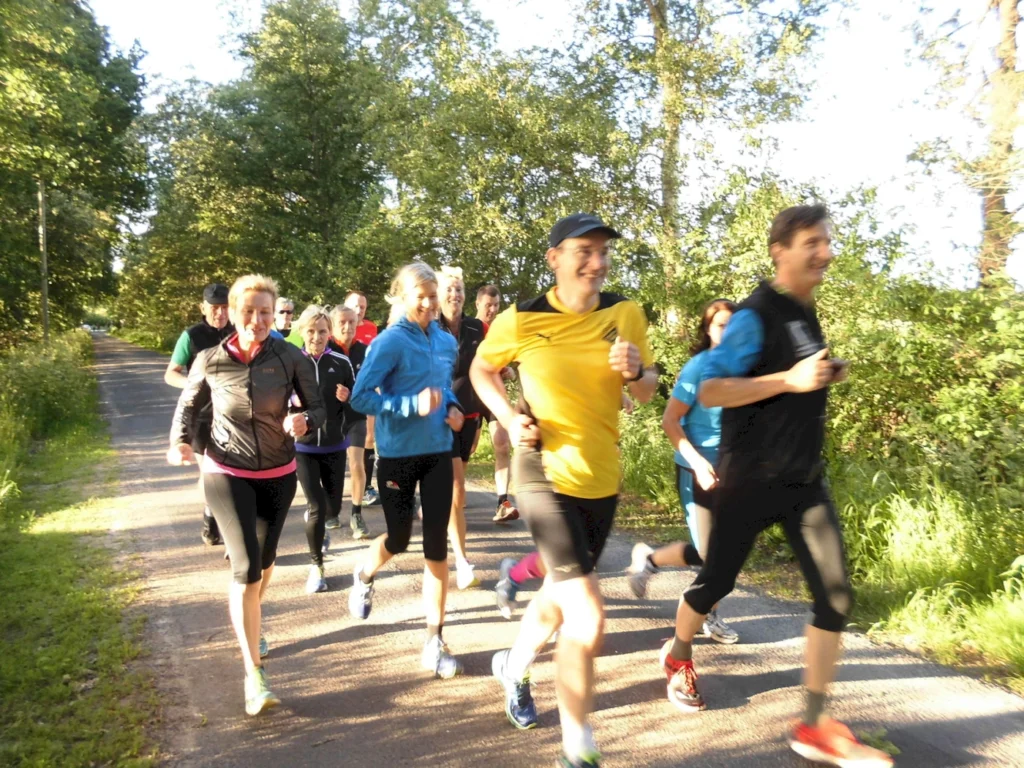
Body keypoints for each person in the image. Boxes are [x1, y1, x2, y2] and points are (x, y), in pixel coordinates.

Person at [659, 205, 892, 768]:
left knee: (835, 595)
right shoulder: (753, 315)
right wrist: (790, 379)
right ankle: (679, 651)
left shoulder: (804, 312)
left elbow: (792, 386)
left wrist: (822, 375)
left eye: (828, 241)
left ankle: (812, 726)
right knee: (716, 581)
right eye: (813, 242)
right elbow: (713, 390)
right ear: (779, 250)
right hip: (750, 482)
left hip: (804, 481)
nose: (826, 252)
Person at [470, 213, 657, 768]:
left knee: (558, 595)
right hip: (541, 470)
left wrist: (636, 370)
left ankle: (514, 663)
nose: (596, 262)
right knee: (588, 616)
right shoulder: (522, 317)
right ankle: (579, 748)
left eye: (603, 251)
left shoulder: (625, 313)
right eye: (584, 250)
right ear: (554, 257)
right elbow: (483, 370)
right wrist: (507, 415)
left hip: (601, 479)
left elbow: (647, 393)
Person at [168, 274, 325, 717]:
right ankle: (253, 674)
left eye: (264, 313)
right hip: (225, 469)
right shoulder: (210, 358)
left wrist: (305, 422)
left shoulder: (290, 355)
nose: (256, 320)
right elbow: (189, 406)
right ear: (233, 314)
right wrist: (181, 440)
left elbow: (317, 407)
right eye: (248, 312)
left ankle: (252, 620)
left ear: (274, 315)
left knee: (265, 561)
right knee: (245, 568)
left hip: (278, 472)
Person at [348, 263, 466, 680]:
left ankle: (434, 640)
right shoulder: (388, 342)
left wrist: (451, 407)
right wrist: (406, 406)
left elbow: (445, 386)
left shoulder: (446, 341)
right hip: (397, 455)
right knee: (399, 539)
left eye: (434, 295)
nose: (430, 303)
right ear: (401, 296)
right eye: (422, 295)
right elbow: (361, 397)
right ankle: (363, 575)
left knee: (437, 546)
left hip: (437, 451)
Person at [626, 299, 740, 645]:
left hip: (733, 470)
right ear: (708, 330)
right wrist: (697, 462)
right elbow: (670, 421)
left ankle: (651, 559)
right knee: (712, 554)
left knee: (725, 550)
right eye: (721, 325)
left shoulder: (747, 368)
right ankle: (708, 614)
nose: (728, 332)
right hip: (697, 468)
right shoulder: (698, 368)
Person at [164, 282, 234, 546]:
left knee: (230, 475)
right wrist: (195, 386)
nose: (220, 313)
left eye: (225, 307)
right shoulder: (191, 336)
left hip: (230, 415)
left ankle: (224, 524)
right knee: (210, 474)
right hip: (201, 417)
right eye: (215, 308)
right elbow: (171, 373)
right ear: (203, 307)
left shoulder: (238, 333)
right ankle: (209, 514)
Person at [294, 305, 355, 594]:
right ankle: (316, 566)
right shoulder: (291, 362)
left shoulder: (341, 362)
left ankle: (319, 526)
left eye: (321, 331)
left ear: (329, 333)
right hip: (303, 447)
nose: (316, 337)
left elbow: (357, 404)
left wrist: (347, 397)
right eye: (311, 331)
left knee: (332, 509)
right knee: (316, 507)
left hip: (334, 444)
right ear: (301, 332)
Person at [437, 267, 486, 590]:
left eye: (459, 290)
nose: (455, 295)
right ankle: (462, 560)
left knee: (455, 487)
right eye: (449, 290)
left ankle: (439, 515)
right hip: (439, 417)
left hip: (469, 417)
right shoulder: (429, 327)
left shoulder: (475, 327)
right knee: (456, 489)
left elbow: (486, 367)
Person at [473, 284, 519, 523]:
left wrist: (507, 370)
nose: (491, 310)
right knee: (466, 450)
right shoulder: (469, 328)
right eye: (488, 305)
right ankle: (445, 496)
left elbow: (501, 363)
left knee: (502, 443)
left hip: (493, 394)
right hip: (470, 395)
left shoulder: (500, 331)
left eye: (496, 306)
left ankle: (503, 501)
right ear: (478, 304)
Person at [327, 305, 370, 538]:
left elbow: (372, 386)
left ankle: (356, 513)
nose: (347, 327)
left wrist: (352, 395)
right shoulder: (324, 348)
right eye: (342, 322)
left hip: (355, 415)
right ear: (333, 325)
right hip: (329, 418)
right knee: (331, 469)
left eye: (352, 322)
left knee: (356, 463)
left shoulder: (365, 352)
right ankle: (331, 511)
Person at [345, 291, 381, 506]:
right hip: (340, 392)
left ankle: (366, 487)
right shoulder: (337, 324)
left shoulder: (371, 329)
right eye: (356, 306)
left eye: (363, 307)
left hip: (365, 390)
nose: (359, 311)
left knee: (369, 437)